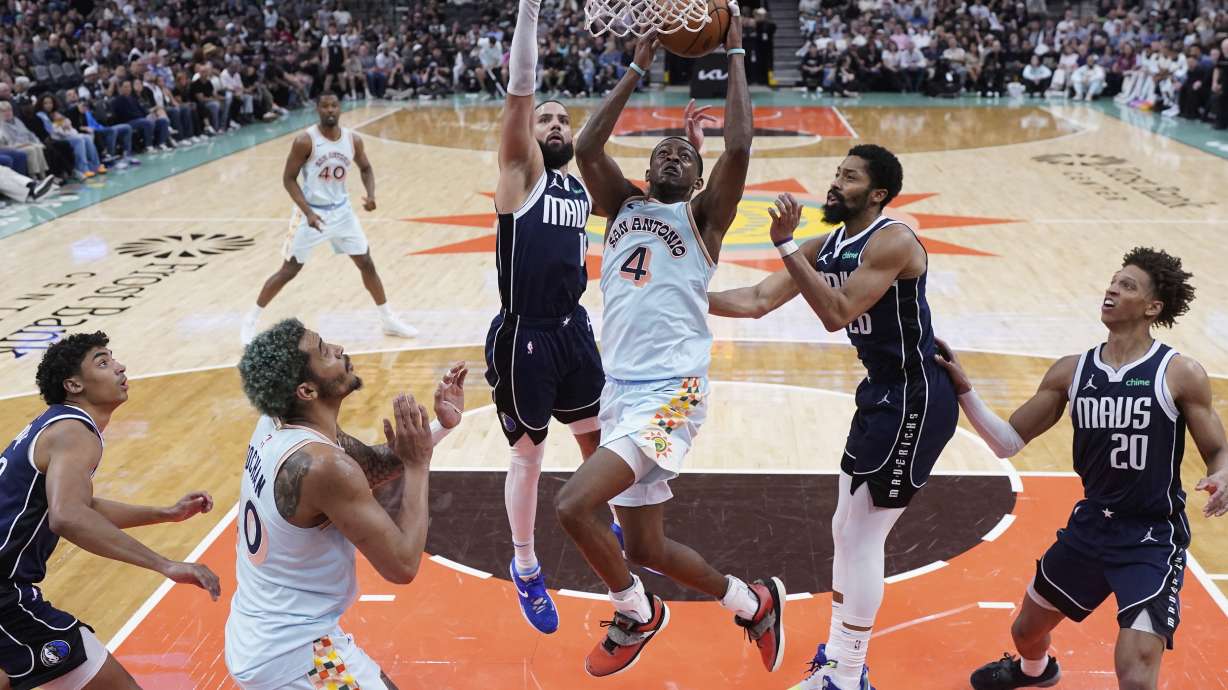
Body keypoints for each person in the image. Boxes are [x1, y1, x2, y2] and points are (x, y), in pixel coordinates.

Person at [559, 7, 787, 679]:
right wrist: (636, 64)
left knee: (573, 504)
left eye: (685, 156)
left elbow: (739, 148)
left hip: (671, 392)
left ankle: (637, 612)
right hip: (621, 390)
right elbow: (587, 149)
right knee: (649, 546)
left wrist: (737, 54)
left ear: (697, 181)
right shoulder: (623, 205)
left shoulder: (703, 219)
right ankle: (752, 602)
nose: (672, 154)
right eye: (664, 149)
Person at [708, 145, 959, 690]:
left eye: (848, 178)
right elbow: (755, 299)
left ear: (877, 195)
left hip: (915, 399)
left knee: (865, 537)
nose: (834, 184)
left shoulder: (894, 240)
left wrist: (785, 244)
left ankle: (846, 673)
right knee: (843, 529)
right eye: (835, 174)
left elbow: (836, 312)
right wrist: (683, 296)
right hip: (880, 396)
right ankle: (842, 663)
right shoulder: (832, 242)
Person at [935, 248, 1228, 690]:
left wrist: (1223, 474)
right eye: (1112, 281)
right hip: (1091, 528)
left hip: (1150, 539)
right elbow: (1006, 442)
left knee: (1135, 671)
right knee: (1024, 633)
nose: (1111, 289)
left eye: (1127, 285)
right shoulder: (1072, 371)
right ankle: (1036, 671)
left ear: (1152, 308)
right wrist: (965, 391)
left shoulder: (1179, 373)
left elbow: (1219, 450)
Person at [225, 319, 467, 689]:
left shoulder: (282, 423)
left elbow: (369, 465)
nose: (338, 348)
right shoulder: (323, 465)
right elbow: (402, 564)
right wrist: (418, 466)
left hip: (261, 633)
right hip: (295, 655)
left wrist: (440, 427)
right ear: (306, 390)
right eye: (324, 351)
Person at [0, 332, 221, 690]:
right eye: (102, 362)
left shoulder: (57, 423)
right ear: (73, 384)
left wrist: (165, 513)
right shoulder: (74, 432)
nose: (119, 367)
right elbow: (67, 515)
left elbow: (81, 504)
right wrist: (165, 564)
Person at [488, 0, 607, 635]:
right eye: (546, 119)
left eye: (564, 119)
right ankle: (526, 565)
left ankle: (600, 509)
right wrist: (531, 11)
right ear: (529, 133)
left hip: (572, 328)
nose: (556, 124)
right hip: (524, 334)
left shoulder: (579, 187)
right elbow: (520, 89)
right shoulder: (521, 171)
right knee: (529, 455)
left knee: (594, 432)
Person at [240, 93, 417, 345]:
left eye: (334, 105)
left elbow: (366, 168)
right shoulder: (305, 141)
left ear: (340, 109)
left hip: (342, 212)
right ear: (318, 109)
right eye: (325, 106)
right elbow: (288, 179)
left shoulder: (352, 140)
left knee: (366, 263)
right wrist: (308, 212)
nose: (330, 110)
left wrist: (370, 194)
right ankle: (250, 321)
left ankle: (388, 318)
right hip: (310, 212)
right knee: (289, 270)